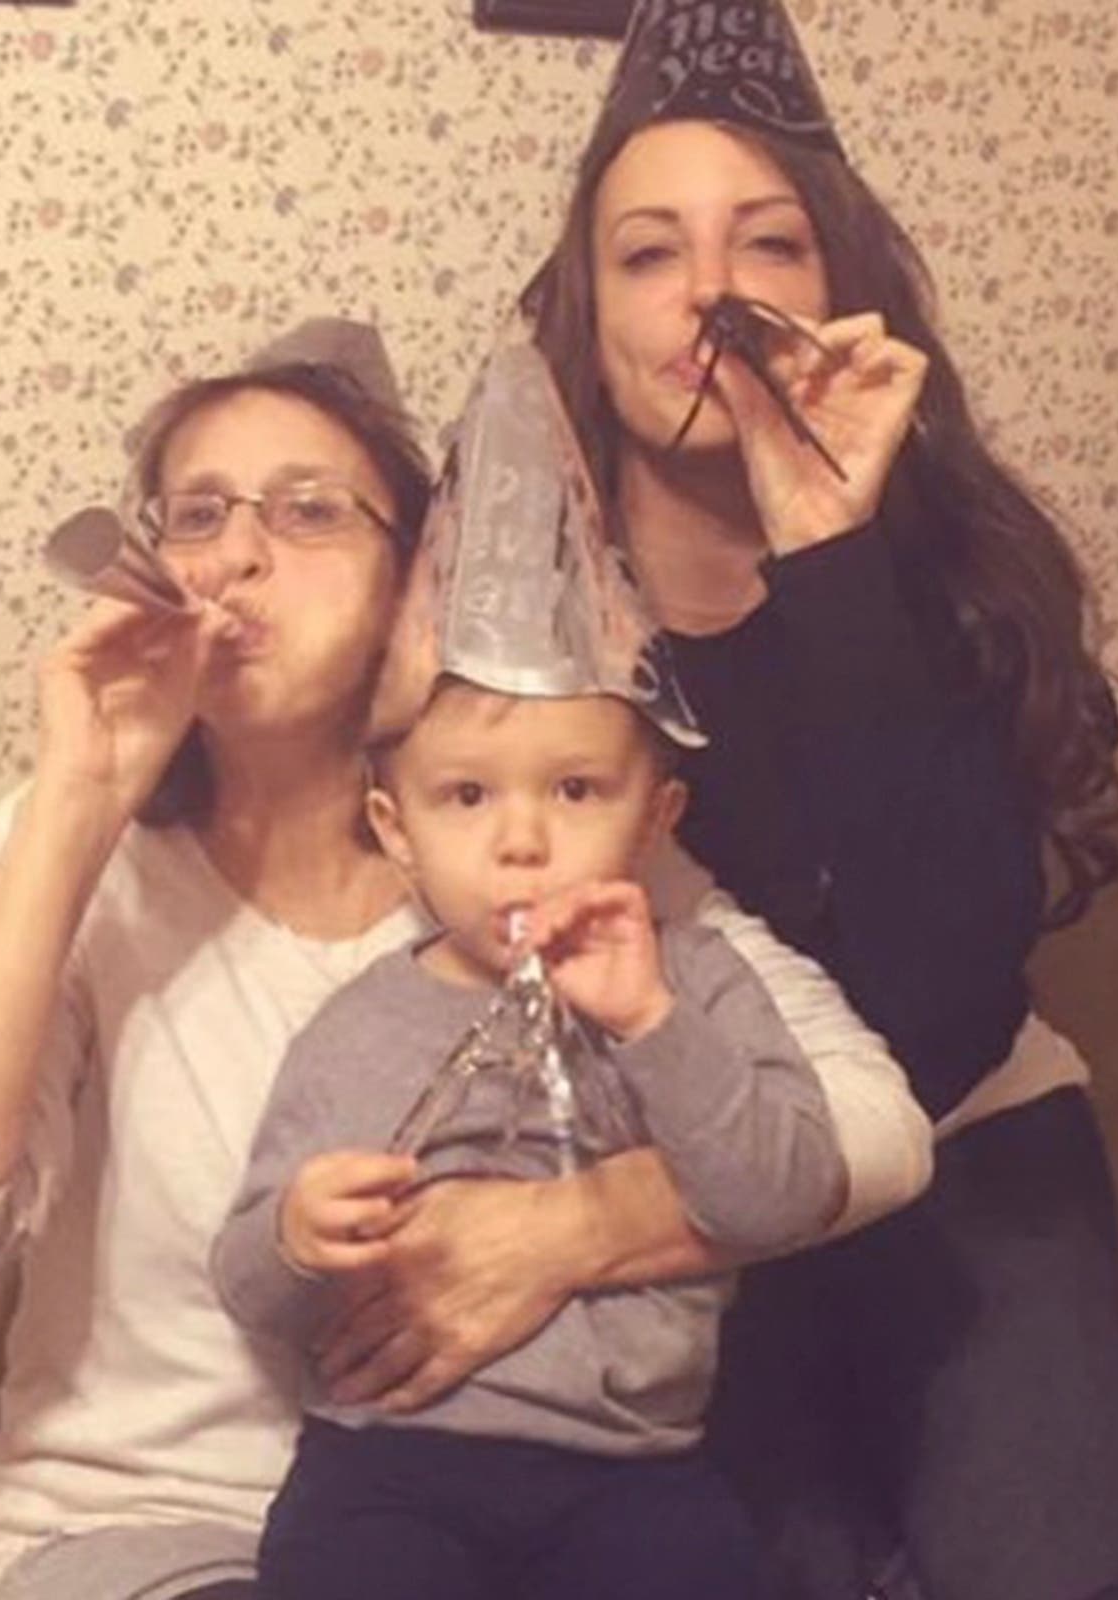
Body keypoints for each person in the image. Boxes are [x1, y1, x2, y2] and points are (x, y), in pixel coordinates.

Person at [511, 4, 1118, 1598]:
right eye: (647, 253)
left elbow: (941, 1013)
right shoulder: (517, 624)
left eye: (769, 243)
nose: (709, 293)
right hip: (702, 1200)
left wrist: (832, 553)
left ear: (838, 301)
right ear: (583, 311)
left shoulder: (945, 574)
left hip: (968, 1148)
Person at [0, 321, 932, 1600]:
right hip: (146, 1535)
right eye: (197, 515)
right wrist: (80, 801)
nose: (238, 554)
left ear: (413, 584)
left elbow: (879, 1128)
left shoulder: (536, 855)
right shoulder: (73, 848)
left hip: (519, 1521)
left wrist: (574, 1226)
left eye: (307, 511)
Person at [212, 344, 867, 1600]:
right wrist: (299, 1238)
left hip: (637, 1473)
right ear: (396, 829)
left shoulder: (700, 982)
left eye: (575, 789)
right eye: (466, 797)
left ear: (656, 813)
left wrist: (656, 1021)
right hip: (388, 1467)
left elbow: (784, 1197)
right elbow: (248, 1280)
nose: (521, 837)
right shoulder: (362, 1023)